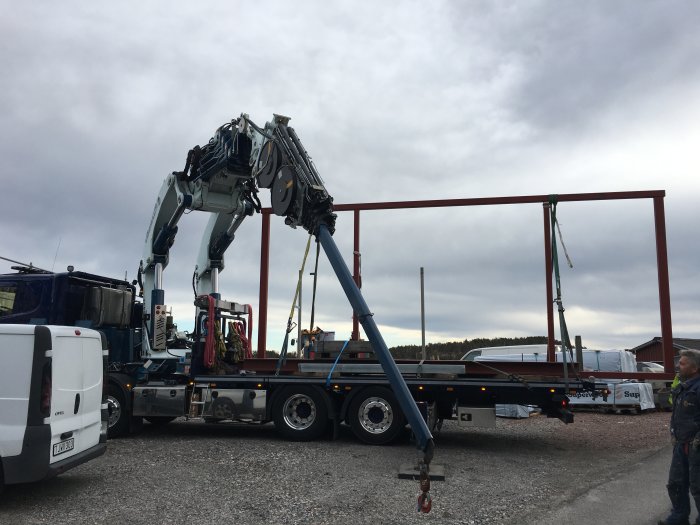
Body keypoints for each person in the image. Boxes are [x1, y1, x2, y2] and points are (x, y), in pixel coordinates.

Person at [660, 349, 700, 525]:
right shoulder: (682, 386)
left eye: (682, 363)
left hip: (696, 446)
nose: (678, 366)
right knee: (676, 483)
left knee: (697, 486)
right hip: (680, 444)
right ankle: (679, 518)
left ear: (695, 368)